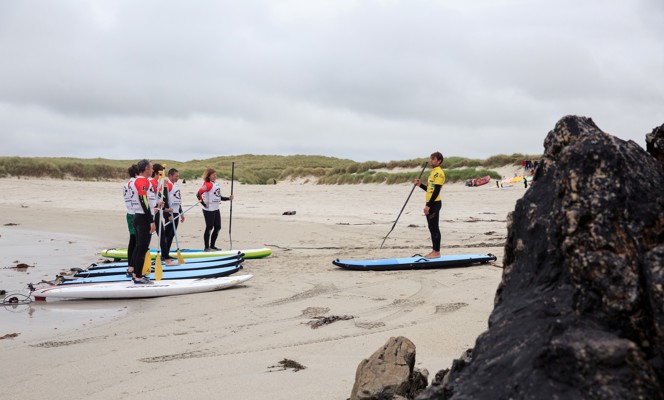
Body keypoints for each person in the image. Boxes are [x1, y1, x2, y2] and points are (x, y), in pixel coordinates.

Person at [129, 159, 156, 284]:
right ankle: (138, 277)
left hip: (139, 216)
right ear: (146, 169)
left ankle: (135, 273)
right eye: (151, 168)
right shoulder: (141, 181)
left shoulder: (137, 181)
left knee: (139, 247)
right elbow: (143, 200)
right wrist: (151, 221)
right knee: (142, 248)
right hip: (143, 218)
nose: (152, 170)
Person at [413, 152, 445, 258]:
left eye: (433, 159)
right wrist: (420, 185)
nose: (431, 161)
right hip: (430, 203)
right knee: (431, 227)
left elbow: (436, 192)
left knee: (434, 227)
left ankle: (437, 252)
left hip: (434, 203)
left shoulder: (439, 173)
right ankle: (434, 250)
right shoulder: (433, 172)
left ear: (439, 161)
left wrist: (428, 206)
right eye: (431, 159)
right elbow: (429, 190)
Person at [196, 168, 234, 251]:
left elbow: (218, 197)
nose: (215, 176)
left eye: (215, 175)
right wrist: (203, 203)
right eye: (213, 175)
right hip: (208, 209)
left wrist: (228, 198)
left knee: (218, 227)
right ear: (208, 176)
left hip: (216, 208)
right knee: (209, 227)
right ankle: (206, 247)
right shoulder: (207, 184)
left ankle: (212, 246)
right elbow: (198, 194)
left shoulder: (216, 184)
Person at [160, 168, 184, 264]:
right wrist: (167, 215)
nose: (178, 178)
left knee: (172, 234)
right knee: (167, 234)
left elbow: (178, 200)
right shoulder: (167, 185)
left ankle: (167, 253)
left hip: (176, 212)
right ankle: (163, 255)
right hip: (169, 213)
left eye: (178, 176)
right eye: (176, 176)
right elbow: (164, 200)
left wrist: (181, 213)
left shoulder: (176, 185)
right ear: (170, 176)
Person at [123, 164, 138, 277]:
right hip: (135, 214)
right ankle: (131, 268)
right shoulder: (134, 184)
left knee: (133, 240)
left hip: (129, 213)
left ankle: (132, 266)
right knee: (135, 241)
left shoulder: (126, 184)